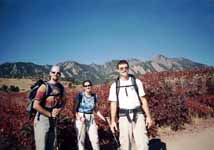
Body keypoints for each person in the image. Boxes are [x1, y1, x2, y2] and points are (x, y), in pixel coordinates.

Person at [108, 60, 153, 150]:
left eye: (126, 68)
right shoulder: (114, 85)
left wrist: (148, 117)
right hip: (123, 116)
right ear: (118, 70)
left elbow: (143, 100)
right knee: (125, 144)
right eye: (121, 68)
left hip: (138, 115)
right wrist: (113, 121)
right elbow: (113, 104)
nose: (124, 70)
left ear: (128, 68)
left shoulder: (137, 82)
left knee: (143, 143)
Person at [33, 65, 65, 150]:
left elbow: (64, 101)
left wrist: (59, 109)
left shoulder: (61, 87)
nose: (56, 74)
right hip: (42, 119)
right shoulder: (44, 87)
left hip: (54, 119)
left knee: (51, 145)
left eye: (58, 73)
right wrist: (50, 114)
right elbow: (35, 105)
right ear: (50, 73)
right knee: (41, 146)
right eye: (53, 72)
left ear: (60, 75)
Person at [75, 80, 105, 150]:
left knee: (95, 139)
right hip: (81, 117)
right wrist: (79, 118)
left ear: (91, 86)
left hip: (91, 118)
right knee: (81, 140)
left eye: (89, 85)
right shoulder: (80, 95)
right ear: (83, 87)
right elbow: (75, 109)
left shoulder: (95, 96)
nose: (88, 87)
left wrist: (103, 118)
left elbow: (96, 109)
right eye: (86, 86)